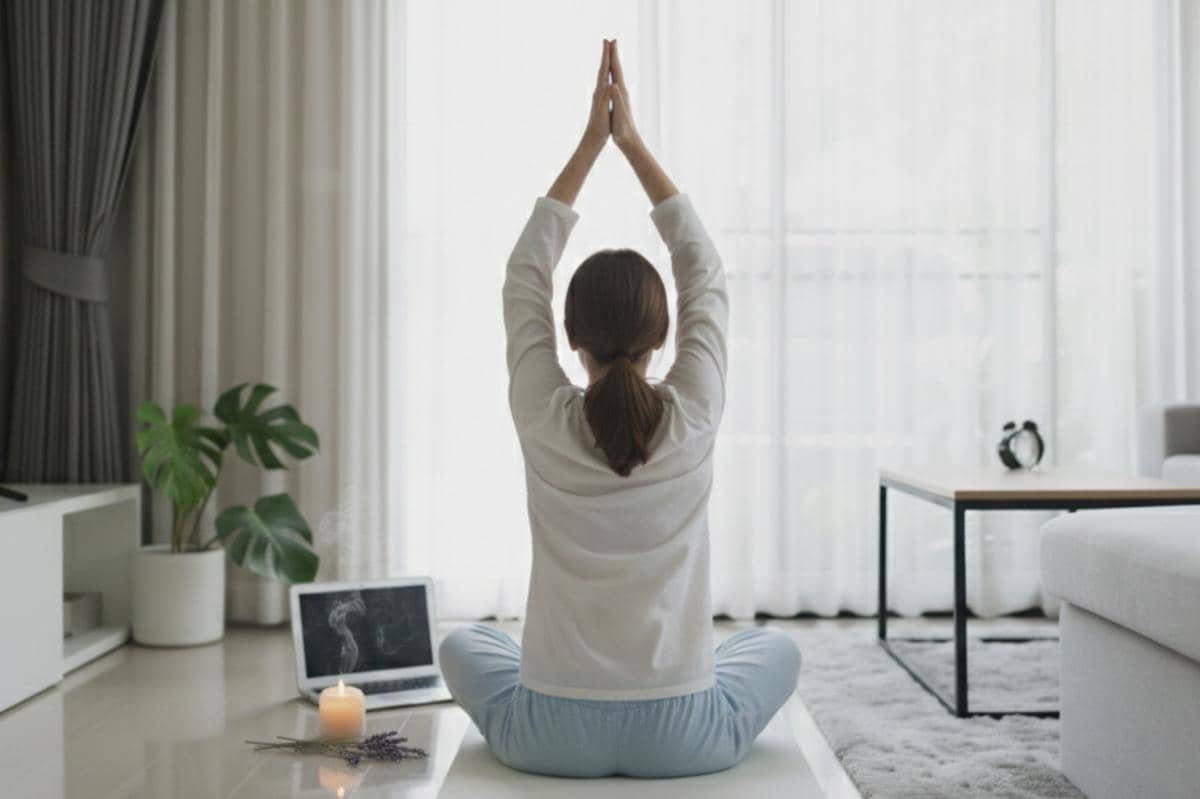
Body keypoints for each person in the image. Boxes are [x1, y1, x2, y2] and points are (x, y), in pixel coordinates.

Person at [439, 39, 800, 779]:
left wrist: (588, 147)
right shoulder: (694, 410)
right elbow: (704, 267)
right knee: (776, 649)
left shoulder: (543, 414)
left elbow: (523, 275)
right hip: (685, 738)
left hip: (547, 736)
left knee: (462, 644)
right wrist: (630, 145)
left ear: (569, 339)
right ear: (664, 335)